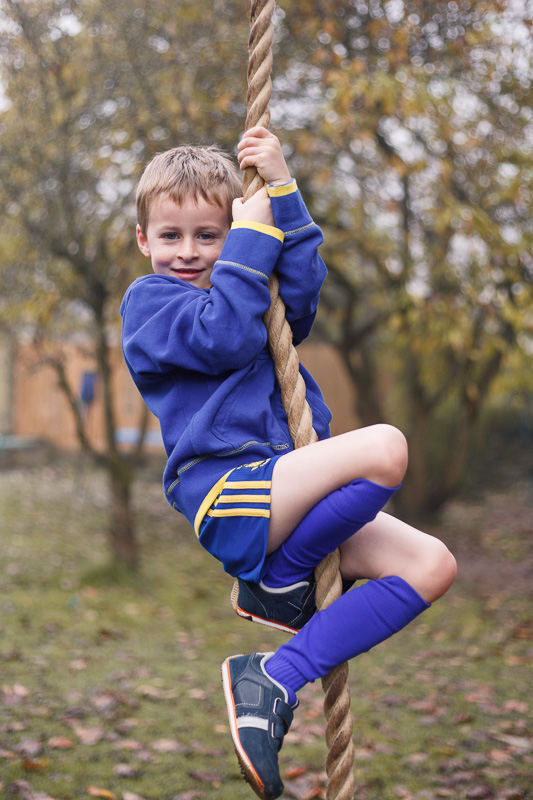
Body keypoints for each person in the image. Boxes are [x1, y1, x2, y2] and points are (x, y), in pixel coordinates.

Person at [121, 126, 457, 800]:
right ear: (143, 240)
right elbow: (222, 336)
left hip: (286, 487)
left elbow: (294, 301)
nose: (187, 252)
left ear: (230, 234)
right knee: (384, 448)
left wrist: (281, 191)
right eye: (170, 236)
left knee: (431, 565)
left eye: (207, 235)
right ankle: (283, 577)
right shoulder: (149, 304)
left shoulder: (248, 286)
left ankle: (274, 676)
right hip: (233, 495)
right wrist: (247, 240)